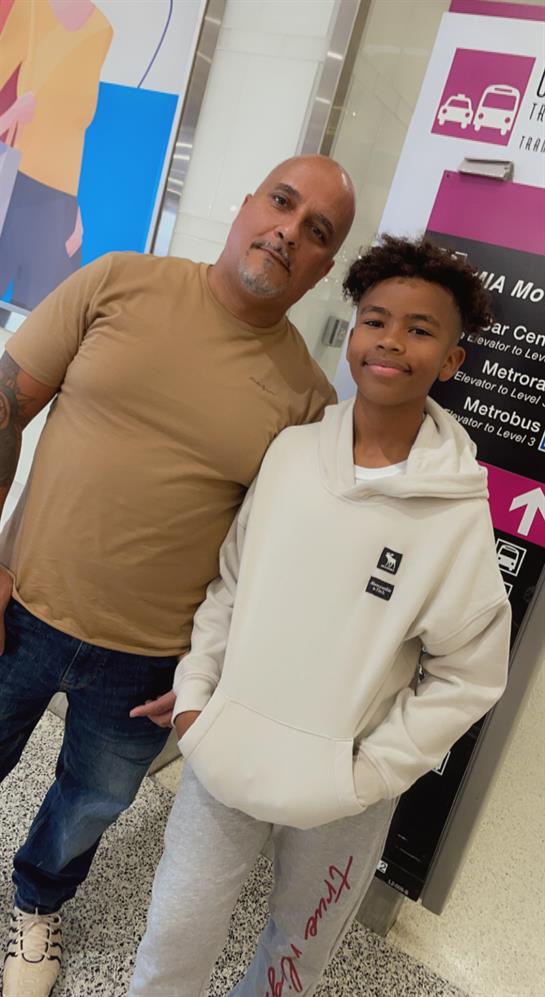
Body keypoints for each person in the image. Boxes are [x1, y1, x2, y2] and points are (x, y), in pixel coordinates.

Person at [0, 154, 356, 997]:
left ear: (322, 269)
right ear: (244, 202)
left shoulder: (305, 399)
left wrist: (214, 668)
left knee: (89, 802)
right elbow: (8, 402)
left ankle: (38, 907)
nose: (287, 232)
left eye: (316, 232)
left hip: (147, 659)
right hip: (20, 602)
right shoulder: (121, 283)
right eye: (281, 201)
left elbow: (273, 558)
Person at [129, 235, 511, 997]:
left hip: (343, 788)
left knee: (295, 953)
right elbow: (230, 586)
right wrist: (199, 699)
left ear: (450, 362)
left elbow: (467, 673)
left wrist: (368, 771)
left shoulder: (455, 508)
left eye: (419, 328)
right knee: (176, 928)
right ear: (352, 332)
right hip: (226, 752)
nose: (390, 341)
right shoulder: (292, 455)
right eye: (374, 319)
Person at [0, 0, 113, 309]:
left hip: (58, 200)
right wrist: (11, 114)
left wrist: (74, 208)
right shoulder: (30, 9)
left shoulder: (102, 29)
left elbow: (75, 129)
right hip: (12, 183)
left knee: (38, 327)